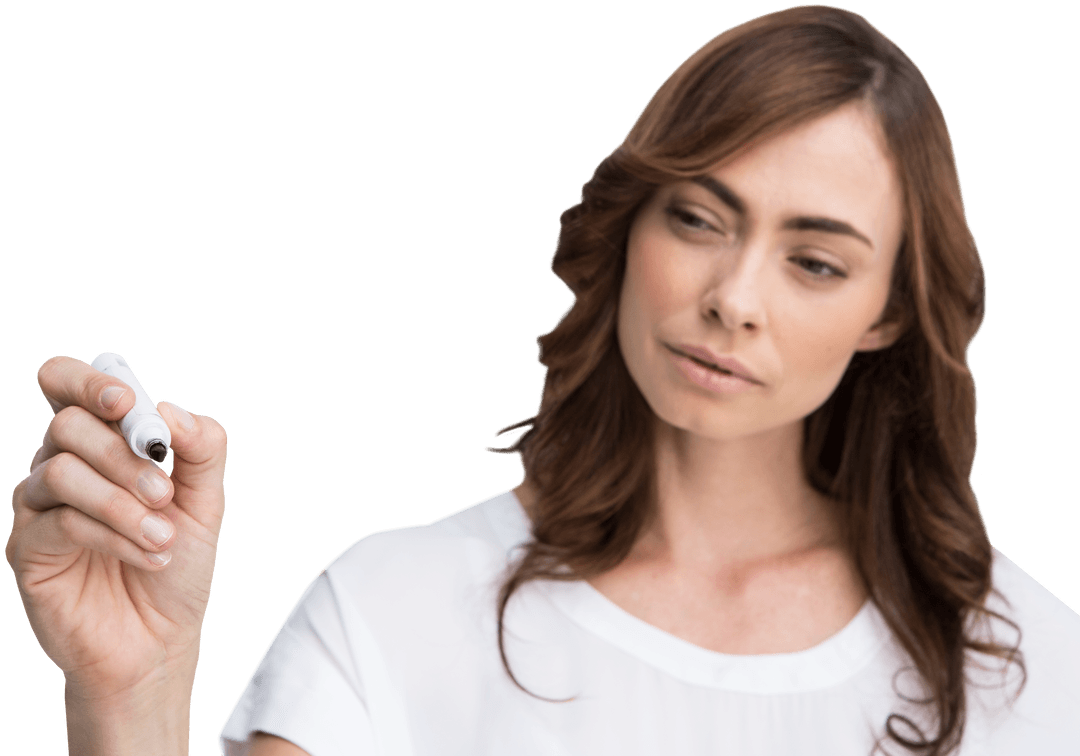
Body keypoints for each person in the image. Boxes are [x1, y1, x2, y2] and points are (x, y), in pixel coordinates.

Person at [7, 6, 1079, 755]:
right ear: (631, 227)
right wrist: (129, 696)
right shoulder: (395, 613)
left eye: (814, 262)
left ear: (888, 312)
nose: (734, 297)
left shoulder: (1040, 678)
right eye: (699, 218)